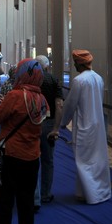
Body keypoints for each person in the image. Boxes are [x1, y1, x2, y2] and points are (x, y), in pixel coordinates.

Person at [0, 58, 49, 224]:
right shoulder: (41, 99)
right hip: (32, 157)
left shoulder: (15, 95)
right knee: (26, 204)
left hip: (11, 155)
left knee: (4, 203)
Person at [51, 49, 111, 204]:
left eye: (75, 63)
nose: (74, 66)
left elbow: (71, 104)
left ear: (80, 63)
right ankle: (94, 192)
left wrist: (62, 123)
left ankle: (92, 195)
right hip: (98, 125)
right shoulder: (98, 78)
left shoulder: (79, 81)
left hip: (85, 124)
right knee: (97, 160)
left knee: (84, 162)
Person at [34, 55, 64, 209]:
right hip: (49, 122)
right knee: (48, 160)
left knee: (31, 160)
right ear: (47, 66)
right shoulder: (53, 79)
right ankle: (45, 194)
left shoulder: (31, 79)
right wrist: (56, 128)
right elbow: (59, 105)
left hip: (32, 124)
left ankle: (34, 197)